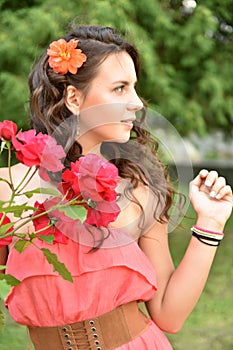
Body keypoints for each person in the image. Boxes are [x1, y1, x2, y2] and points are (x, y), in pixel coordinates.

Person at [0, 25, 232, 350]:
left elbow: (169, 315)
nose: (137, 103)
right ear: (74, 98)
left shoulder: (139, 189)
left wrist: (210, 222)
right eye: (120, 88)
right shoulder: (9, 188)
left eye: (135, 88)